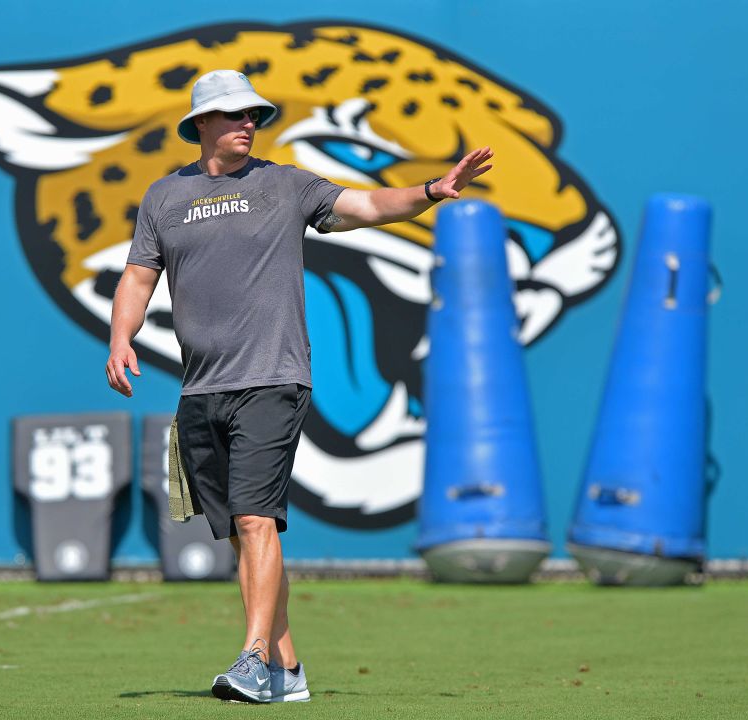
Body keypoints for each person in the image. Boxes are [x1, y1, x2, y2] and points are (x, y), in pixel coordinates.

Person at [104, 69, 493, 703]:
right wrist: (121, 339)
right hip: (201, 389)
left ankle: (254, 659)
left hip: (273, 380)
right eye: (233, 115)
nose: (247, 123)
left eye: (253, 114)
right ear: (201, 124)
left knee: (257, 520)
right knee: (238, 532)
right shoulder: (163, 198)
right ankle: (286, 670)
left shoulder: (286, 185)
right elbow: (139, 278)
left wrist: (430, 189)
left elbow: (365, 206)